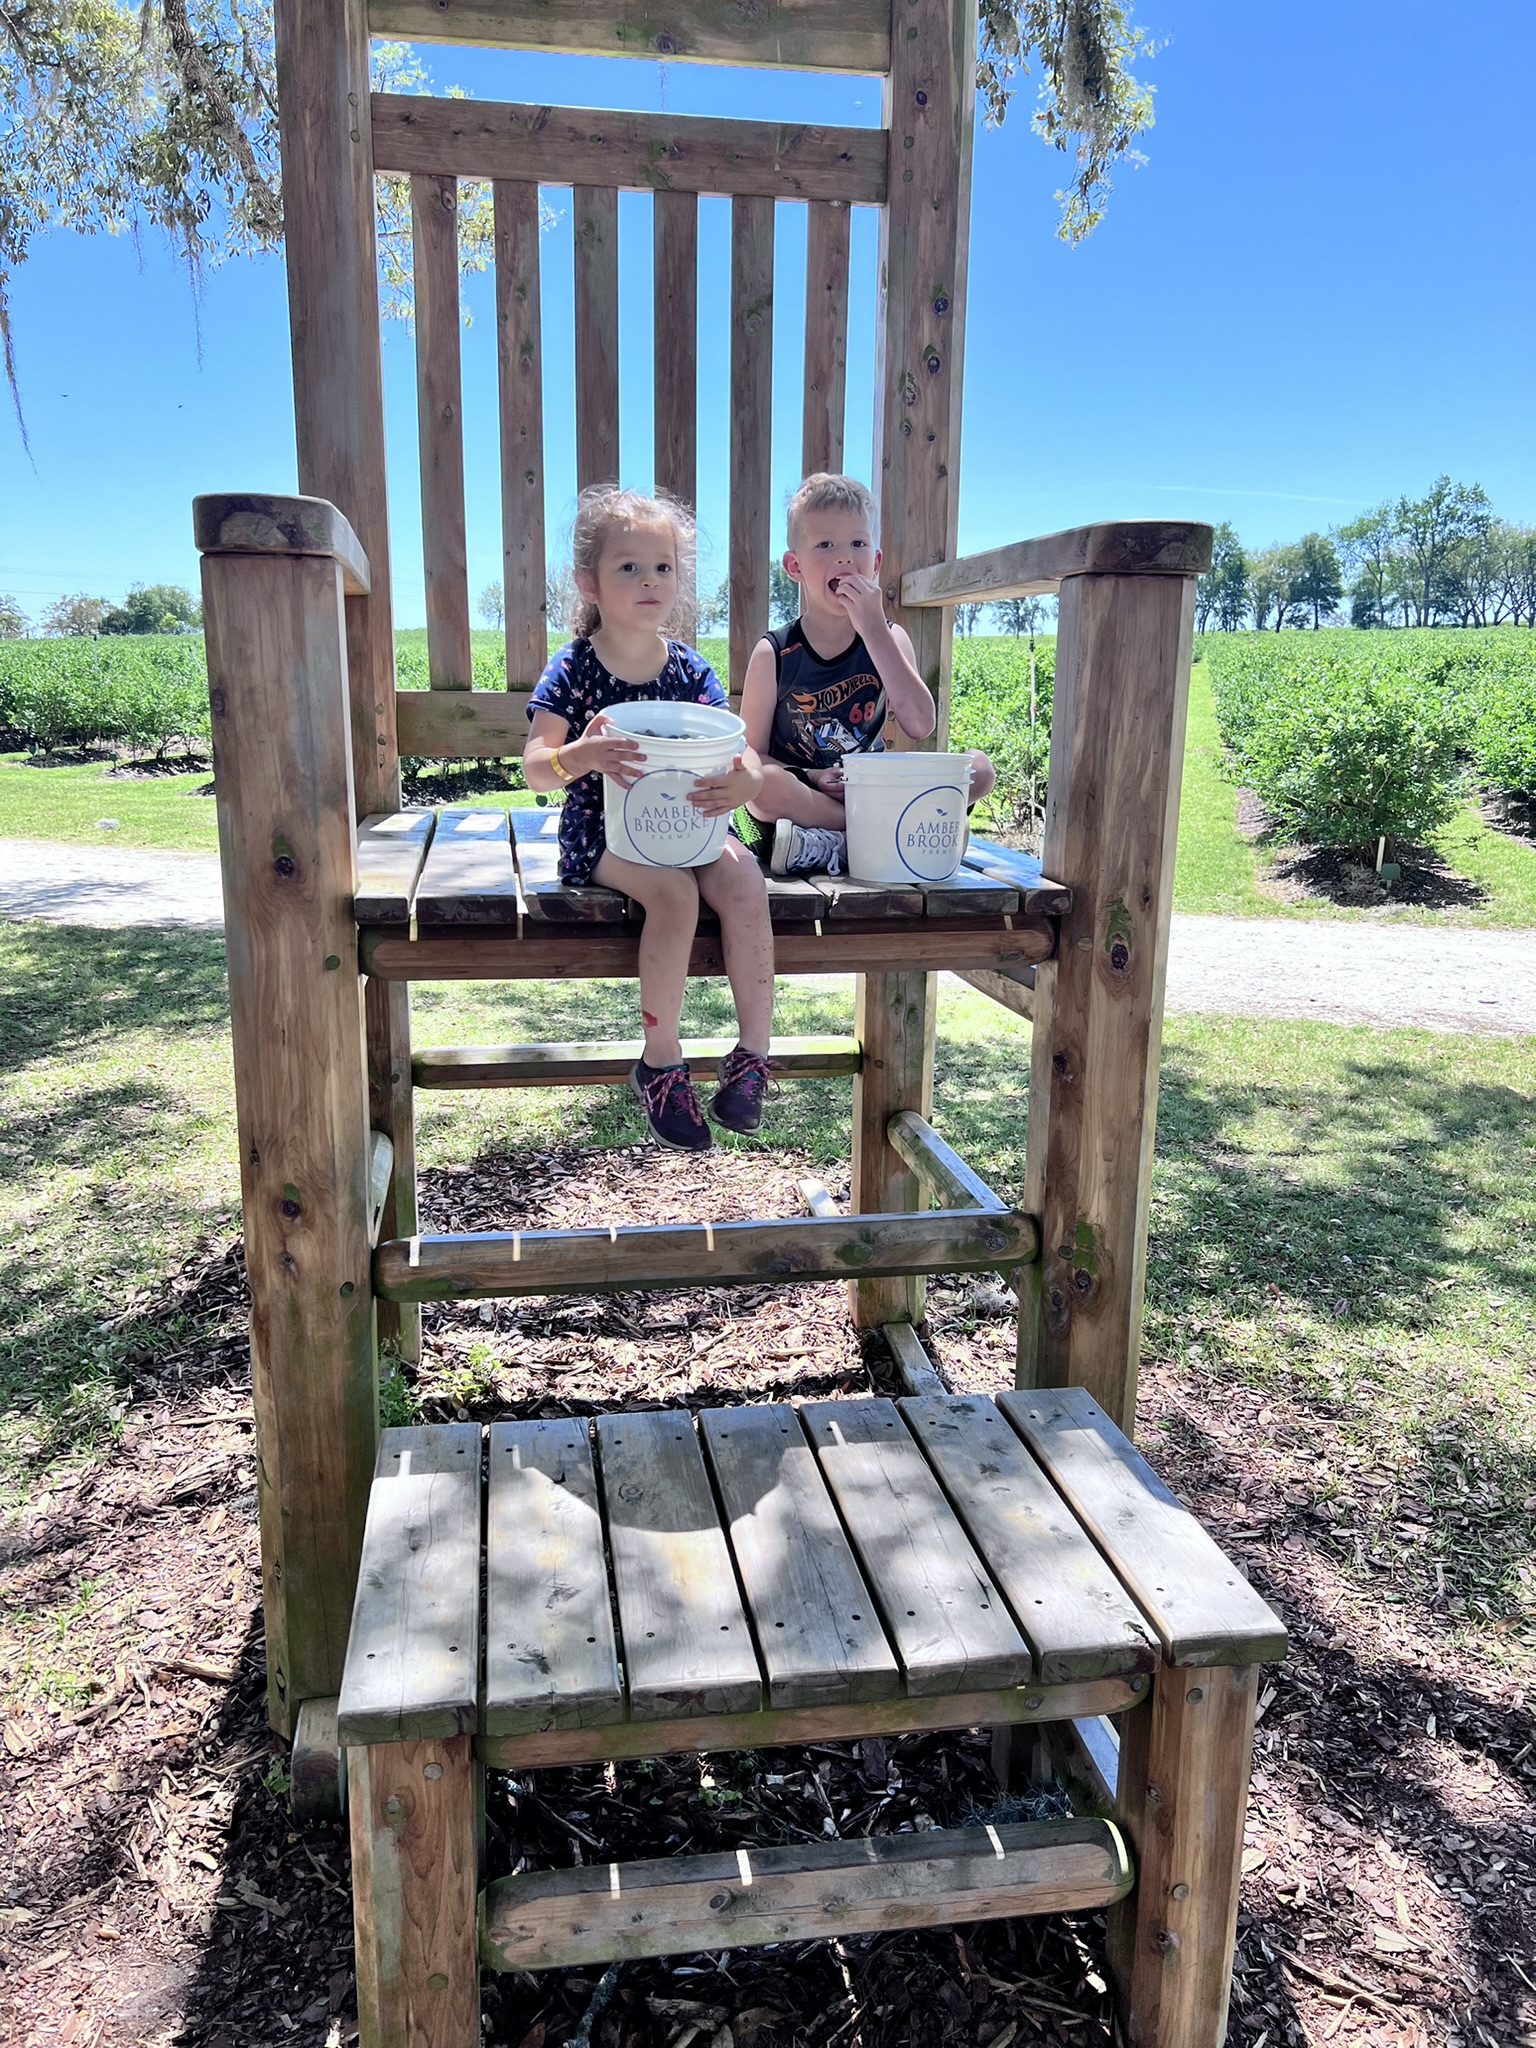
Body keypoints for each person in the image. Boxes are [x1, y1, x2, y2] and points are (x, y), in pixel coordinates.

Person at [524, 486, 774, 1152]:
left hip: (689, 824)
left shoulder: (689, 670)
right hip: (604, 836)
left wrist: (745, 778)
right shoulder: (573, 670)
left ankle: (752, 1057)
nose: (650, 581)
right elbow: (536, 767)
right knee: (673, 892)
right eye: (628, 567)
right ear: (589, 584)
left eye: (662, 567)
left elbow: (740, 752)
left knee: (744, 876)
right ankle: (661, 1060)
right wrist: (583, 753)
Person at [740, 472, 995, 874]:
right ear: (795, 566)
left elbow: (919, 724)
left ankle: (841, 841)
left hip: (873, 788)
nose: (844, 557)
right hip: (810, 793)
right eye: (825, 545)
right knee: (764, 786)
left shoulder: (890, 637)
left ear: (875, 563)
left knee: (978, 769)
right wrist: (812, 774)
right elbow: (749, 753)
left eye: (857, 543)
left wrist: (873, 629)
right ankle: (893, 830)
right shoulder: (774, 653)